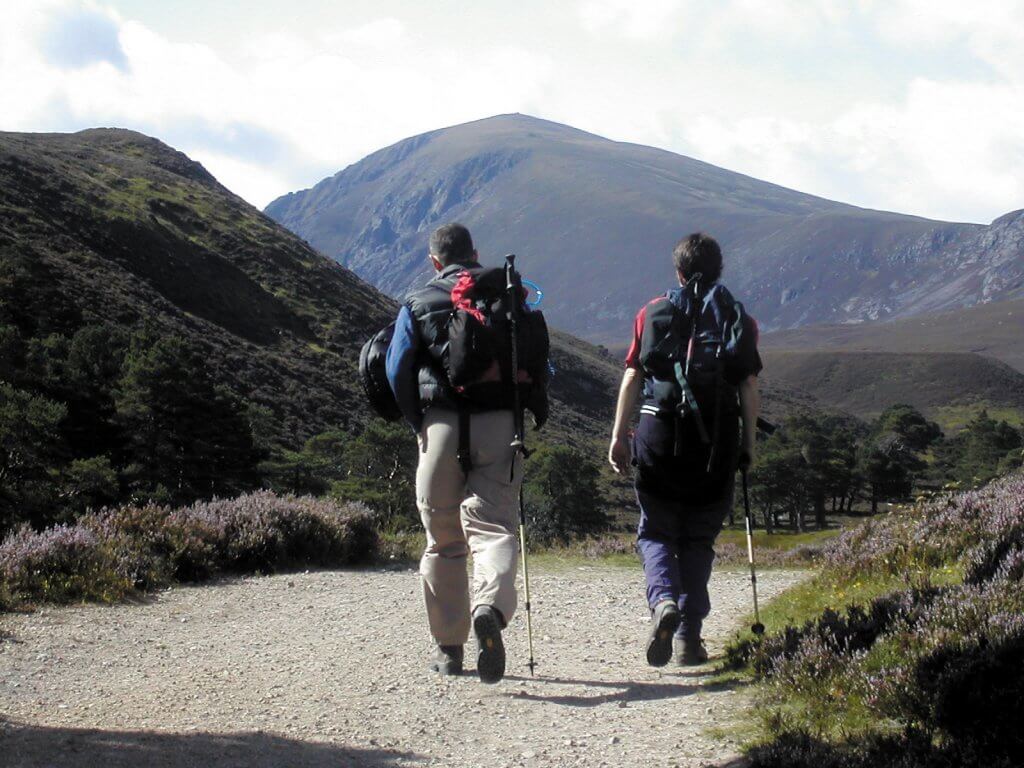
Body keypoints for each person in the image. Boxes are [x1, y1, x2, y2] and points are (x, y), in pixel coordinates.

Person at [385, 222, 548, 683]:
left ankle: (449, 650)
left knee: (443, 540)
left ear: (434, 260)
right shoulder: (506, 294)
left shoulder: (418, 301)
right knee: (493, 529)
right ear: (475, 253)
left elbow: (397, 368)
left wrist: (419, 423)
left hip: (440, 424)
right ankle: (489, 610)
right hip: (499, 424)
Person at [608, 233, 762, 666]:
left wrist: (618, 436)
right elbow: (749, 384)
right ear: (719, 270)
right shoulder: (738, 318)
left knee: (656, 531)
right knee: (698, 538)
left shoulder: (652, 312)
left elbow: (633, 375)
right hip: (716, 440)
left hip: (657, 433)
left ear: (678, 272)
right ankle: (688, 640)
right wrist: (747, 445)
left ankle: (663, 602)